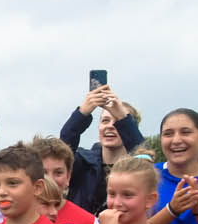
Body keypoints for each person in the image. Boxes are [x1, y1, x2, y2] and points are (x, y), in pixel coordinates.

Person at [58, 84, 143, 214]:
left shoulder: (138, 168)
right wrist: (82, 113)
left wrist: (124, 118)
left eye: (117, 121)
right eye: (105, 121)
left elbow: (143, 153)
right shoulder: (82, 162)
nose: (110, 126)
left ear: (129, 129)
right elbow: (62, 149)